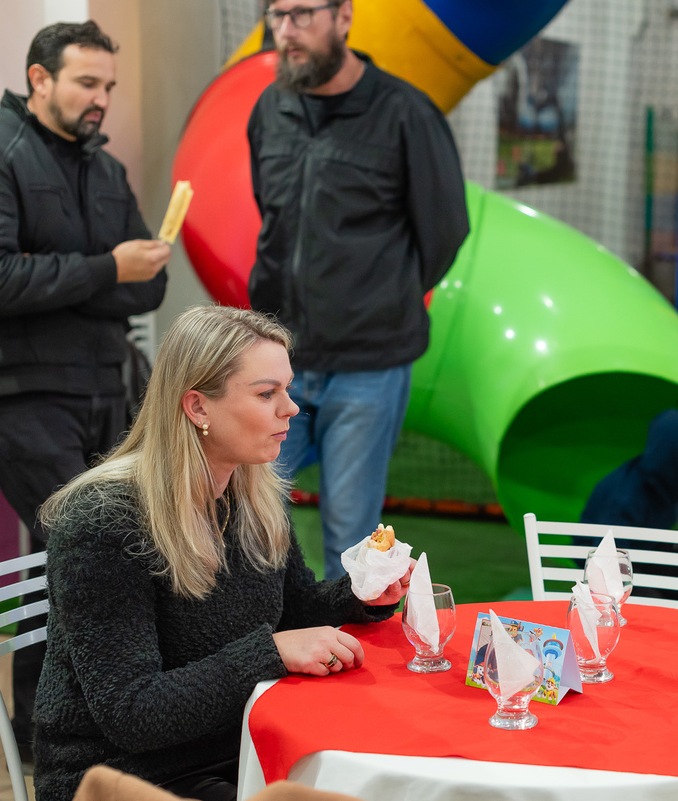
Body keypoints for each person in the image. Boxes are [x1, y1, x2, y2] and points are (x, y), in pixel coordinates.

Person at [32, 306, 412, 801]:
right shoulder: (103, 521)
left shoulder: (253, 492)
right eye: (266, 393)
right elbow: (132, 713)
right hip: (128, 777)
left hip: (240, 749)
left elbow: (292, 608)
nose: (291, 408)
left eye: (287, 388)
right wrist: (270, 653)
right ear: (197, 407)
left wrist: (363, 594)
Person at [0, 20, 169, 753]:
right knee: (88, 540)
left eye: (108, 85)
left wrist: (83, 275)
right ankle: (68, 730)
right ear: (39, 79)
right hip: (17, 386)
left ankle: (56, 728)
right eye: (86, 83)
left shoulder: (105, 169)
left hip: (105, 379)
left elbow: (150, 285)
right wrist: (103, 271)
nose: (101, 98)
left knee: (71, 554)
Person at [247, 0, 470, 578]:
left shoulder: (405, 114)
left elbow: (445, 231)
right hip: (278, 359)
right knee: (248, 515)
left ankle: (344, 659)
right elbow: (271, 218)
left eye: (302, 14)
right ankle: (261, 656)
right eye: (277, 16)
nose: (287, 31)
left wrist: (380, 297)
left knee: (352, 542)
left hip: (368, 366)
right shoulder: (269, 110)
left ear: (343, 17)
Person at [581, 409, 678, 598]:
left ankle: (669, 606)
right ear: (673, 463)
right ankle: (659, 609)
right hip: (608, 557)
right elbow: (607, 557)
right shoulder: (627, 497)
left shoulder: (670, 483)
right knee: (652, 602)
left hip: (646, 547)